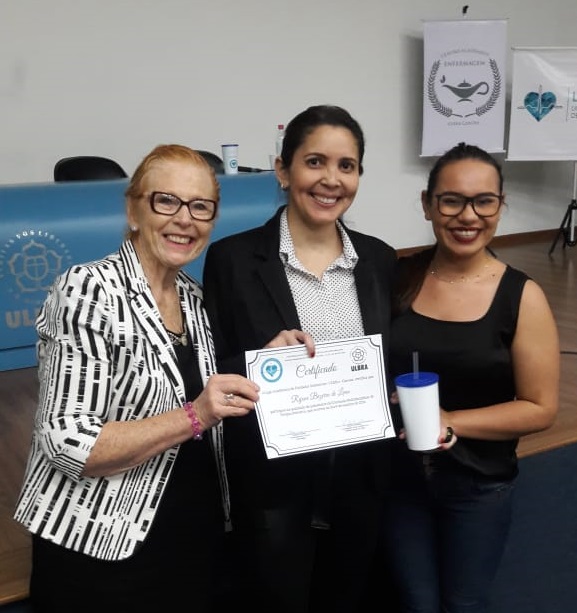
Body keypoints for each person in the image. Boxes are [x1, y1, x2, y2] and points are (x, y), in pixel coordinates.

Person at [14, 144, 260, 613]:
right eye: (166, 201)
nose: (184, 219)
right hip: (101, 552)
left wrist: (269, 362)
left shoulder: (193, 297)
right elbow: (68, 442)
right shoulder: (88, 290)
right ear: (133, 210)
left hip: (190, 541)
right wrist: (194, 416)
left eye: (201, 206)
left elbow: (207, 388)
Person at [202, 104, 398, 613]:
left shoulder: (378, 259)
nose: (331, 179)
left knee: (348, 597)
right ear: (283, 170)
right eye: (315, 162)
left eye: (346, 165)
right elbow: (209, 366)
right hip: (273, 484)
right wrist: (257, 361)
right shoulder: (232, 260)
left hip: (358, 476)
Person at [383, 142, 560, 613]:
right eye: (452, 201)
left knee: (464, 604)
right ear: (428, 204)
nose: (468, 216)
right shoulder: (397, 278)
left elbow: (541, 408)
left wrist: (451, 421)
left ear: (500, 206)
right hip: (398, 482)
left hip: (478, 487)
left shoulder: (522, 296)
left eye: (484, 201)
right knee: (415, 602)